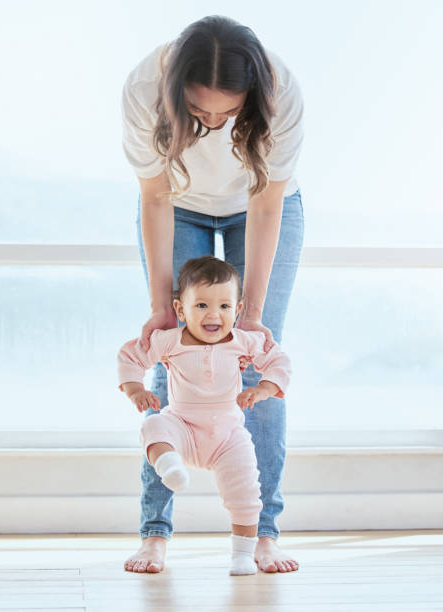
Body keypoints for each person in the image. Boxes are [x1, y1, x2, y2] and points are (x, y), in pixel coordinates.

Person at [121, 14, 304, 573]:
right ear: (176, 91)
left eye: (230, 113)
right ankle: (155, 533)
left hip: (262, 206)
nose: (216, 123)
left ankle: (262, 534)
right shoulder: (144, 89)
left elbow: (266, 203)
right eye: (200, 111)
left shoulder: (282, 91)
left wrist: (248, 315)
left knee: (256, 359)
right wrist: (161, 312)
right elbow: (154, 198)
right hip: (176, 204)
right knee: (169, 355)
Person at [118, 256, 292, 575]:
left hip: (227, 435)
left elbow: (278, 360)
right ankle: (168, 466)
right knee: (155, 425)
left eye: (225, 307)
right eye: (201, 306)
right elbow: (131, 355)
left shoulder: (244, 341)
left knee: (246, 492)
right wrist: (135, 390)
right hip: (182, 426)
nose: (214, 314)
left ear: (238, 311)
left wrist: (264, 388)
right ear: (180, 310)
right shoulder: (169, 340)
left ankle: (242, 554)